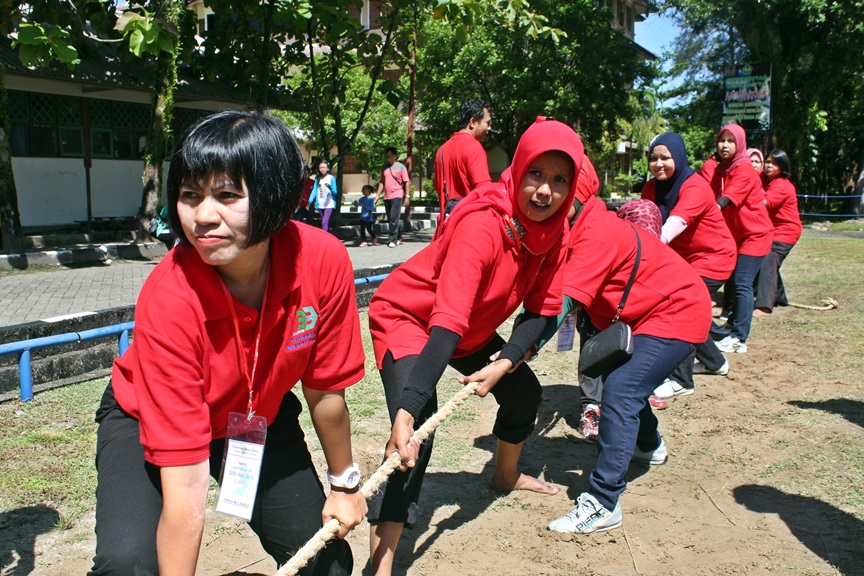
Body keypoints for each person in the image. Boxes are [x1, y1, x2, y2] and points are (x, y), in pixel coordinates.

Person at [88, 110, 367, 576]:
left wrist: (344, 483)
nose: (202, 217)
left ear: (277, 195)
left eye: (227, 195)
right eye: (189, 196)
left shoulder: (324, 261)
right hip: (147, 418)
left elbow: (325, 390)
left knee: (327, 563)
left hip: (254, 417)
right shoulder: (169, 296)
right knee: (129, 566)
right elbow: (188, 486)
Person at [366, 117, 585, 575]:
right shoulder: (485, 225)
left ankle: (505, 475)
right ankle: (380, 564)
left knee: (524, 392)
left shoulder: (554, 233)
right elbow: (445, 322)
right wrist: (407, 411)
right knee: (415, 436)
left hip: (471, 328)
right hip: (413, 318)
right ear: (519, 170)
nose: (544, 191)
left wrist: (504, 362)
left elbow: (542, 311)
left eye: (559, 180)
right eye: (536, 175)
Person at [546, 188, 712, 535]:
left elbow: (560, 303)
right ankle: (649, 446)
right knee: (624, 381)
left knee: (621, 390)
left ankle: (604, 502)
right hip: (644, 315)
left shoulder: (594, 232)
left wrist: (516, 354)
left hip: (676, 310)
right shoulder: (568, 229)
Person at [641, 132, 737, 399]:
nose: (659, 164)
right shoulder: (651, 188)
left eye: (666, 158)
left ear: (679, 157)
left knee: (680, 307)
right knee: (690, 310)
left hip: (713, 257)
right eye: (653, 158)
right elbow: (646, 221)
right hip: (681, 259)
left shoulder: (695, 186)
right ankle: (715, 362)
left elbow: (673, 225)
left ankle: (681, 379)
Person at [701, 124, 772, 354]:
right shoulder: (719, 169)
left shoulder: (743, 169)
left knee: (742, 283)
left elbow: (725, 201)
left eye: (731, 141)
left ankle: (740, 338)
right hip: (735, 237)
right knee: (731, 280)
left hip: (755, 235)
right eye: (722, 140)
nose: (725, 145)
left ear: (740, 144)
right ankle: (730, 328)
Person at [433, 98, 493, 231]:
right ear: (472, 122)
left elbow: (438, 187)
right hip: (468, 227)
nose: (489, 128)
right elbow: (485, 191)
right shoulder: (474, 147)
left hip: (445, 227)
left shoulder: (442, 150)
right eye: (487, 123)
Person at [754, 149, 801, 316]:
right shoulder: (764, 178)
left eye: (774, 164)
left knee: (768, 259)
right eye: (767, 162)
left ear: (782, 167)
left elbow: (764, 204)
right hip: (771, 231)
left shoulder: (782, 185)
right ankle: (780, 297)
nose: (768, 166)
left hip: (785, 232)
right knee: (768, 261)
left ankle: (764, 306)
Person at [375, 147, 410, 248]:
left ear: (395, 156)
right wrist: (377, 195)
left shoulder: (401, 167)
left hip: (397, 195)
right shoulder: (384, 167)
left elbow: (407, 181)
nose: (388, 159)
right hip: (387, 196)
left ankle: (392, 240)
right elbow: (382, 181)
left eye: (390, 157)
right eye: (387, 157)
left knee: (394, 218)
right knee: (390, 218)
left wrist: (407, 196)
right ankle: (398, 236)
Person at [308, 160, 338, 232]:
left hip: (329, 204)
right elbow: (314, 190)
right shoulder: (318, 179)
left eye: (324, 167)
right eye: (320, 167)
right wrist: (310, 201)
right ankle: (330, 238)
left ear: (328, 168)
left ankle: (325, 240)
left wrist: (330, 187)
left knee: (324, 222)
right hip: (320, 204)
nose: (322, 169)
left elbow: (335, 192)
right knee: (325, 223)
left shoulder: (331, 178)